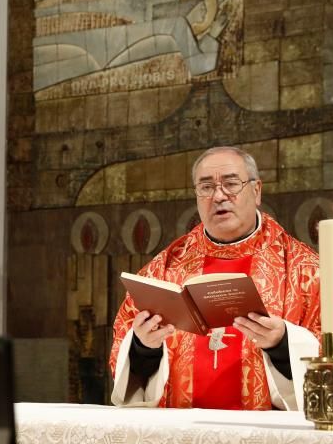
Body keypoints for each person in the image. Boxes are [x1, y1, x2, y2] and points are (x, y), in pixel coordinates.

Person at [109, 146, 321, 410]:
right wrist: (144, 347)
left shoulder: (306, 271)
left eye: (231, 184)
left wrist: (282, 344)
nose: (219, 196)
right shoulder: (162, 270)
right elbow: (124, 352)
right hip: (182, 435)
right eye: (206, 187)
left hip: (267, 438)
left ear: (256, 191)